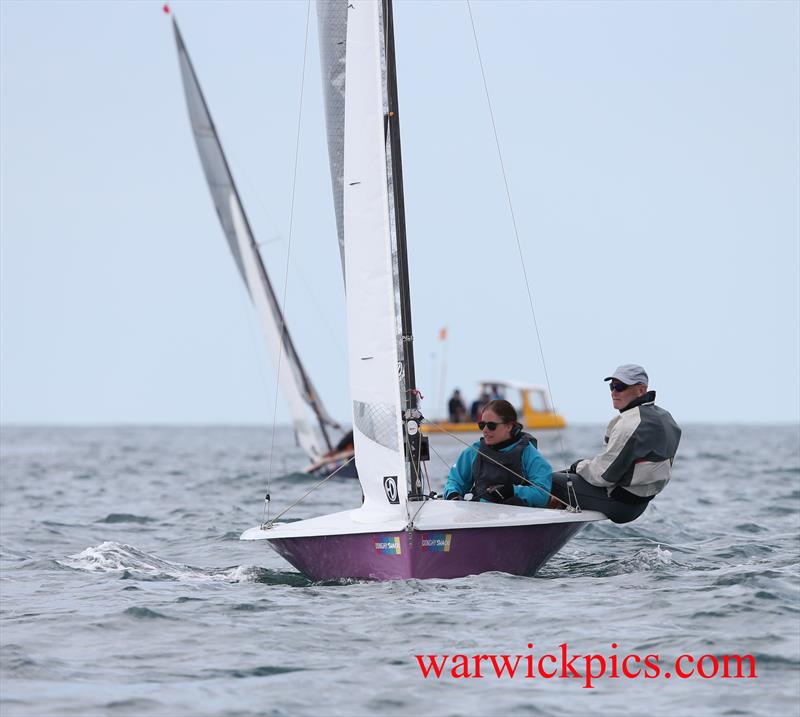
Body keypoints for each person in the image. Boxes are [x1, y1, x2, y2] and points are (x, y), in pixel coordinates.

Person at [550, 364, 681, 523]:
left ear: (641, 390)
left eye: (620, 387)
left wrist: (577, 465)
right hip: (641, 503)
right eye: (611, 387)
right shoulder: (666, 418)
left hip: (620, 504)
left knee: (547, 480)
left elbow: (603, 476)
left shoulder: (630, 424)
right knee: (567, 476)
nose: (613, 393)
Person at [443, 399, 552, 507]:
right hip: (478, 515)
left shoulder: (528, 453)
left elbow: (542, 494)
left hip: (515, 516)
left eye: (491, 426)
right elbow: (455, 481)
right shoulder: (474, 451)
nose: (485, 430)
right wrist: (453, 494)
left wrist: (511, 491)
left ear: (509, 426)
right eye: (482, 425)